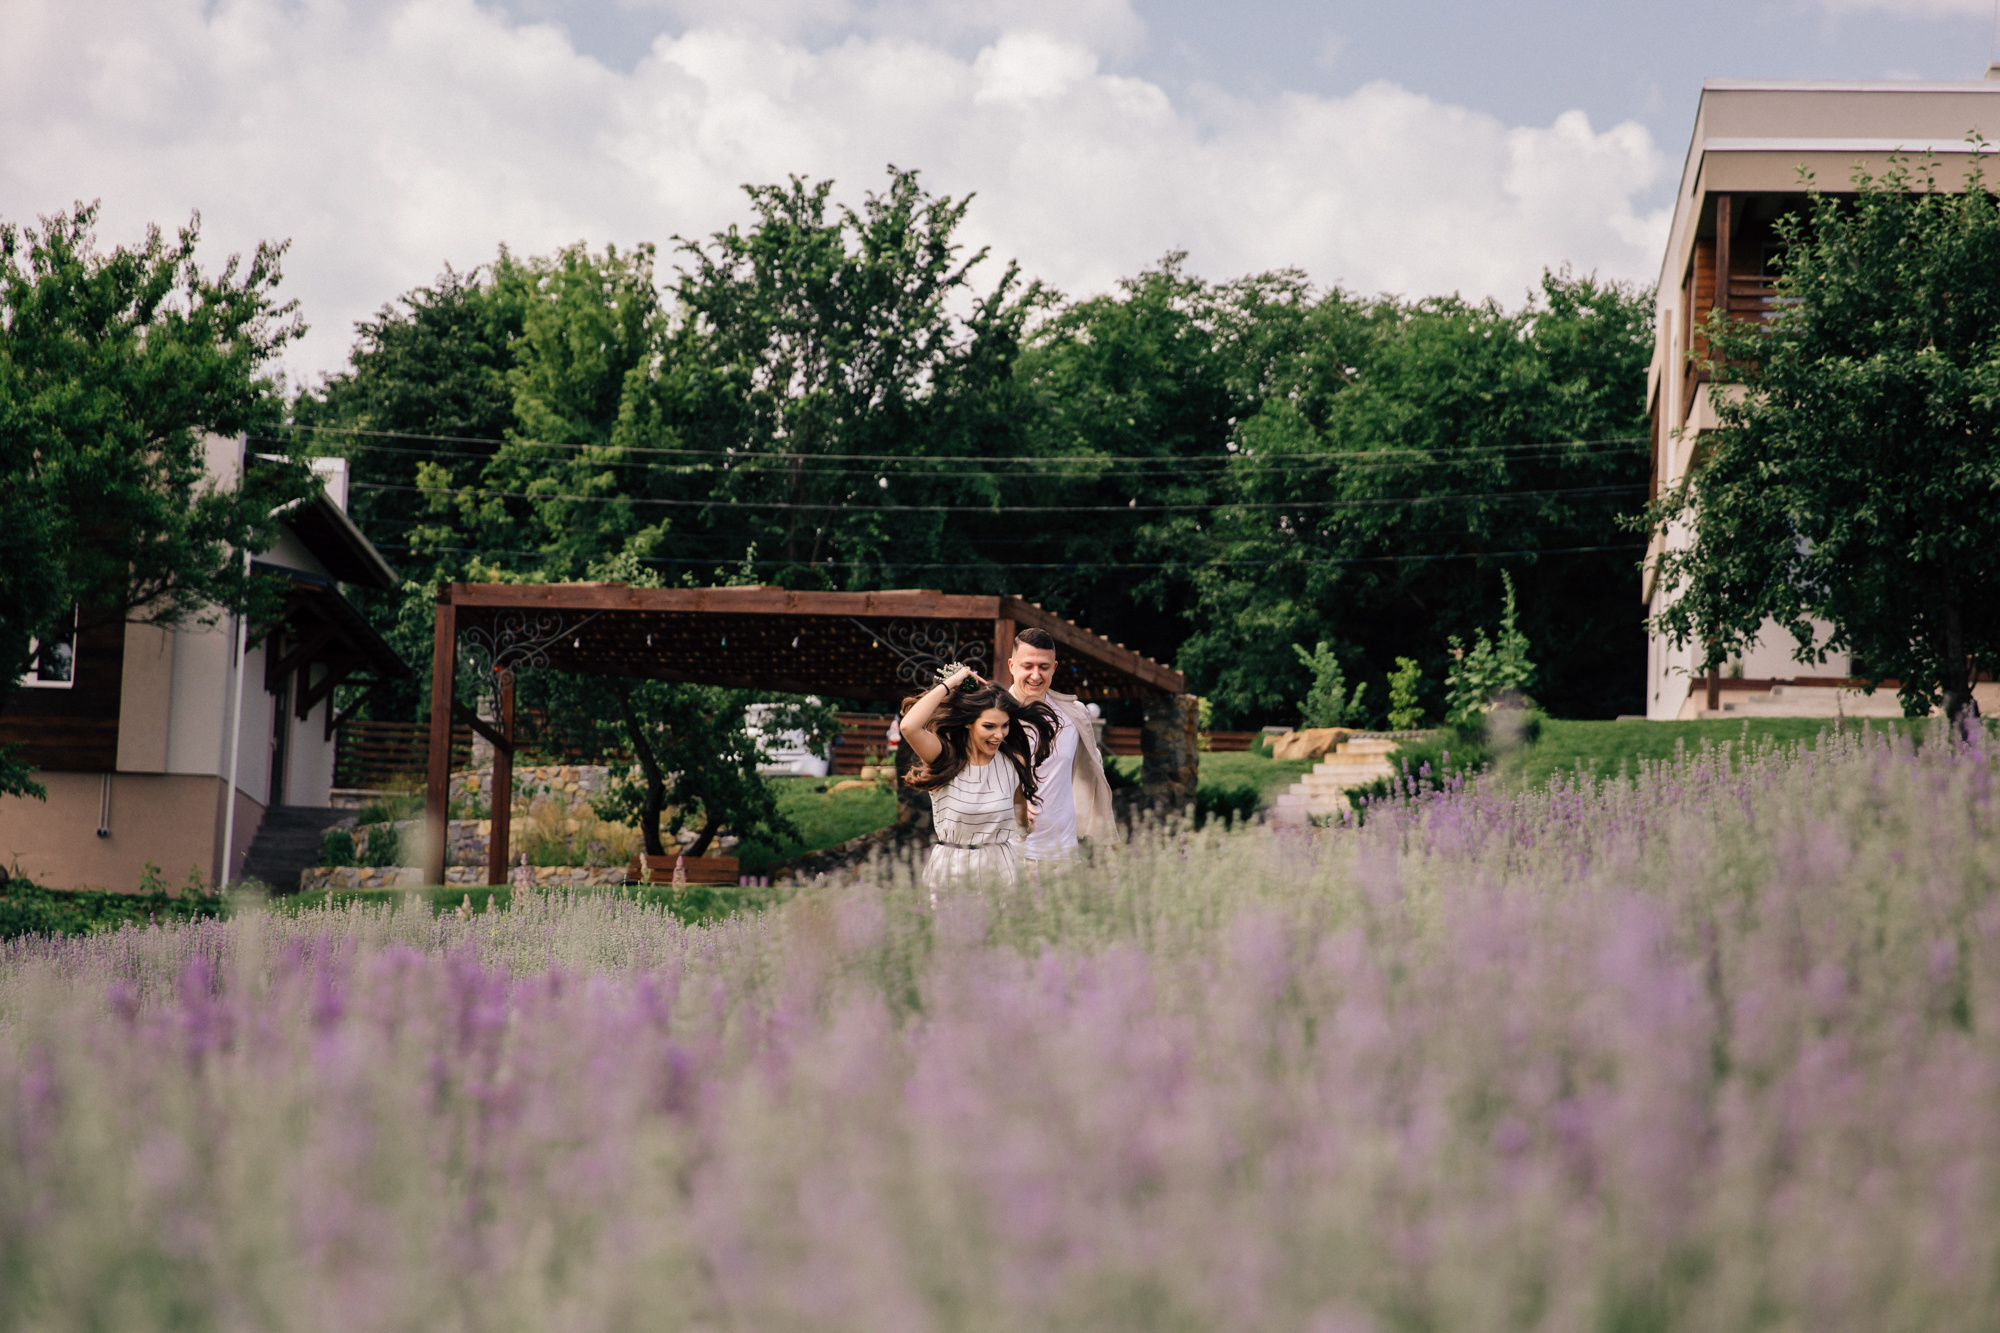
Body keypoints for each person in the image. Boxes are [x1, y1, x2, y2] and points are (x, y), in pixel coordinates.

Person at [900, 665, 1056, 889]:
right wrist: (951, 683)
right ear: (968, 722)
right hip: (951, 871)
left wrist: (1025, 826)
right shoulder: (944, 756)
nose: (999, 735)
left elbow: (1019, 810)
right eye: (989, 726)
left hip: (1000, 871)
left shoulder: (1013, 763)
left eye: (1005, 726)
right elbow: (908, 727)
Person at [1004, 627, 1115, 864]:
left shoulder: (1074, 715)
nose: (1036, 675)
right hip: (1008, 852)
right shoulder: (992, 717)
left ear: (1054, 668)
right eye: (1028, 666)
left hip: (1064, 854)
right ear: (1012, 666)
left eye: (1043, 667)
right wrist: (1010, 800)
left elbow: (1091, 769)